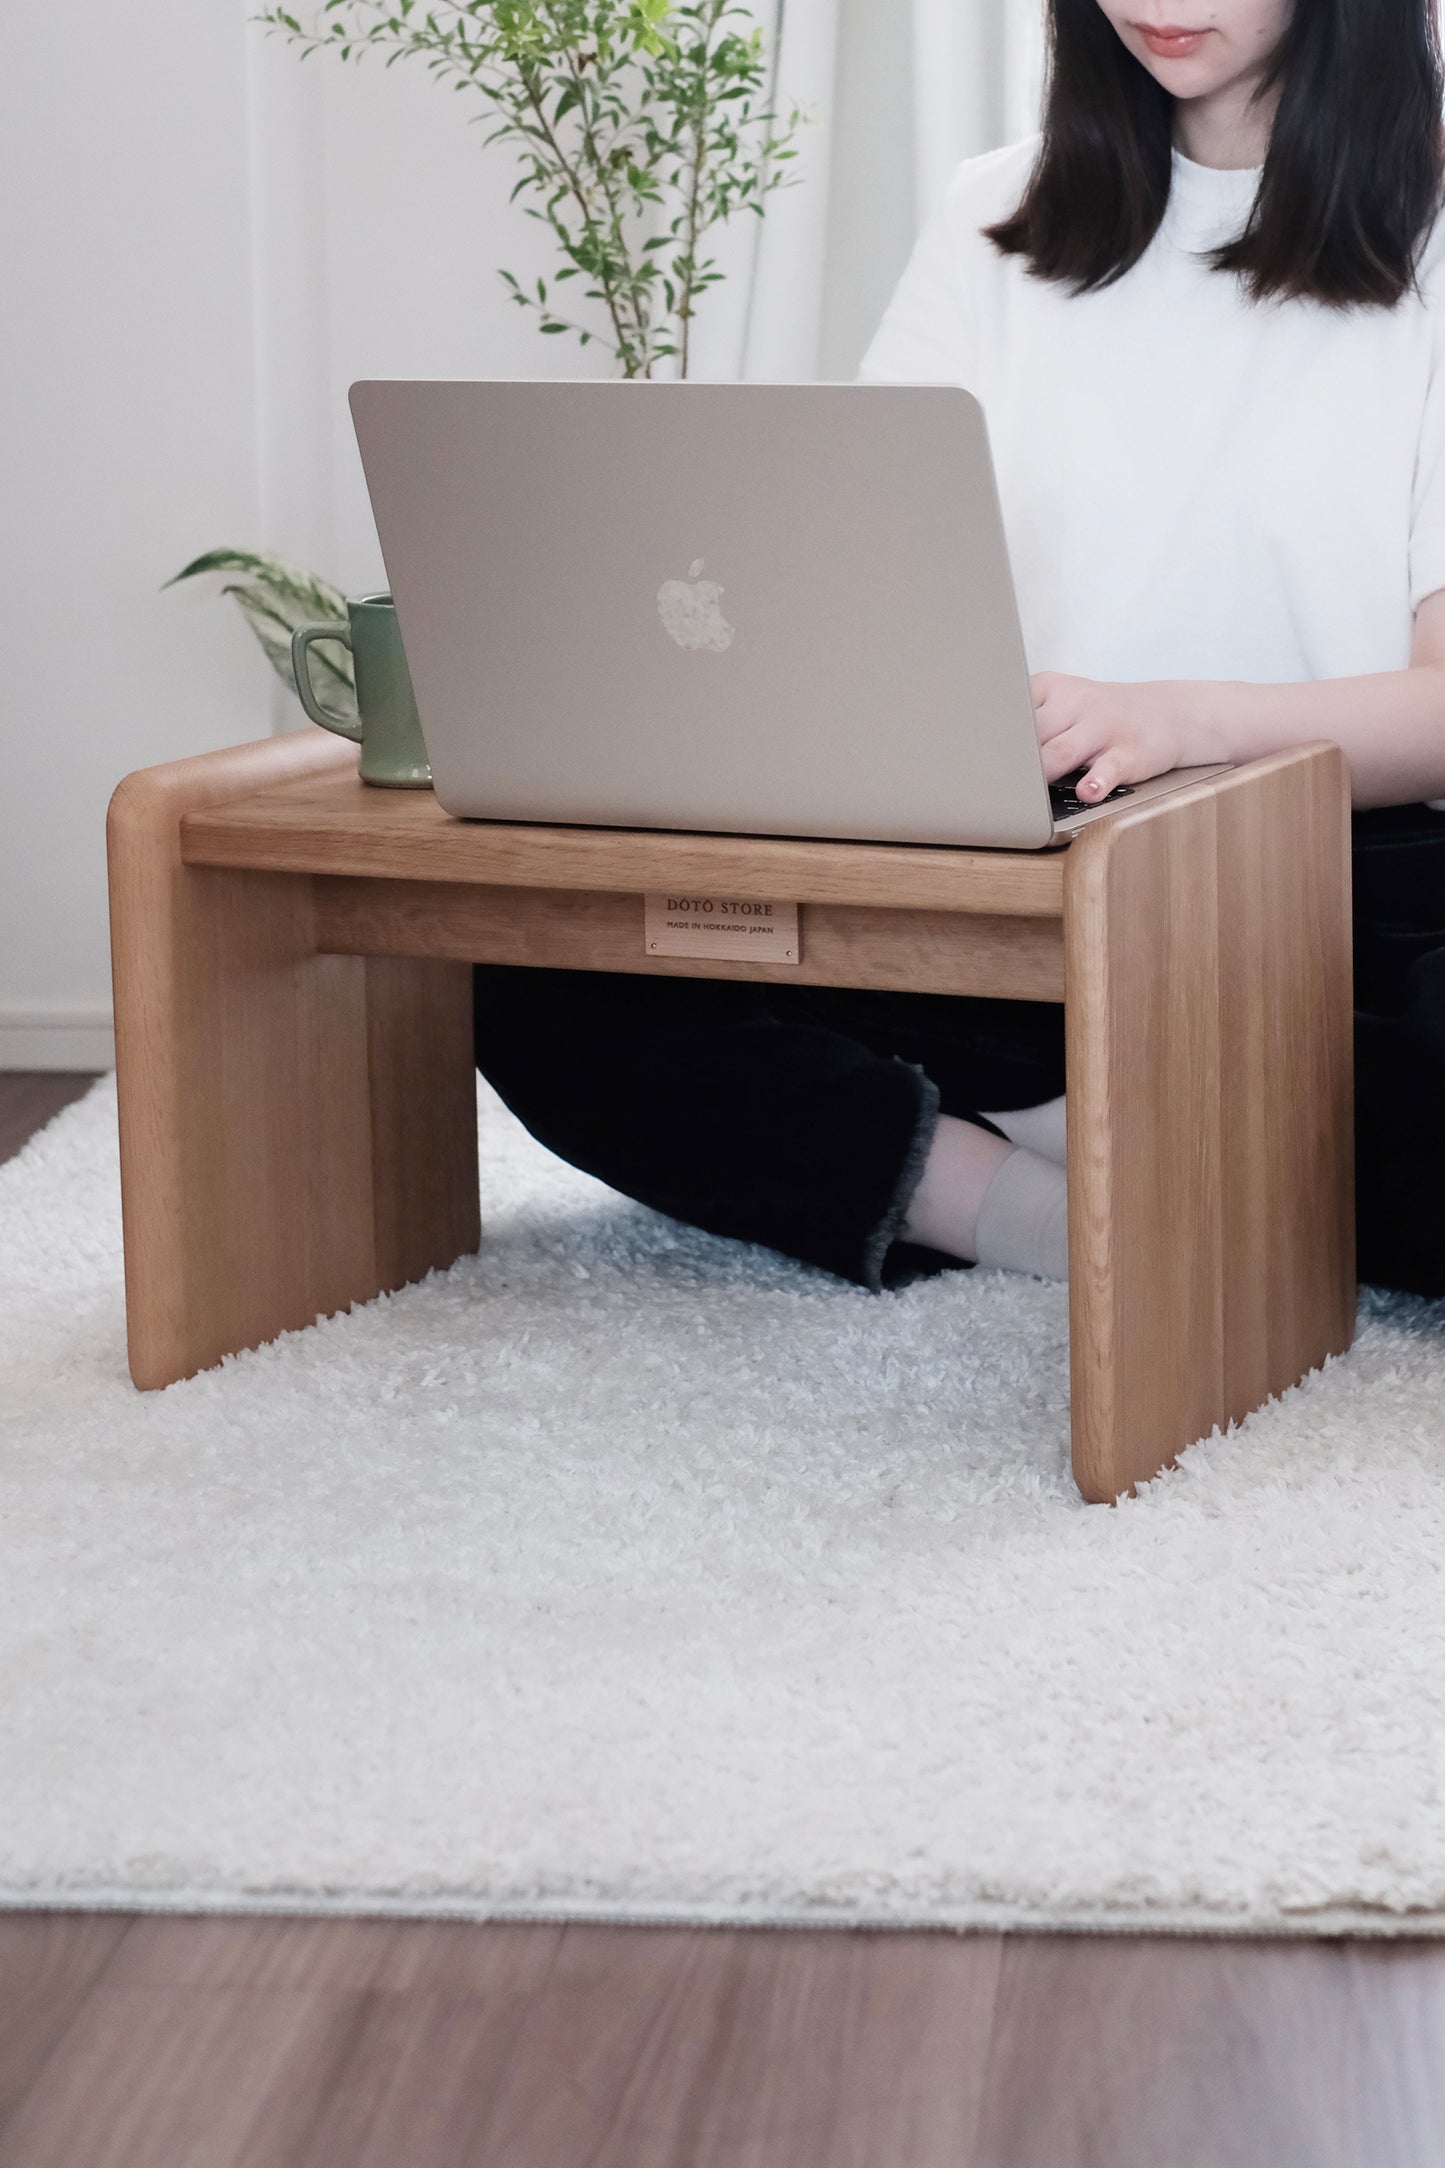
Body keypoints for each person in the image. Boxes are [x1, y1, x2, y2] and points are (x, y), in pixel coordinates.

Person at [475, 0, 1445, 1300]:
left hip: (1330, 866)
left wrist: (1179, 722)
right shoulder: (997, 210)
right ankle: (1038, 1212)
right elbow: (851, 570)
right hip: (1022, 854)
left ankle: (1089, 1125)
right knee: (543, 976)